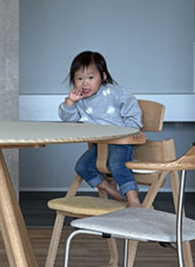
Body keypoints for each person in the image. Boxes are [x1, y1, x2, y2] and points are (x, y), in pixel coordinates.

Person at [58, 51, 143, 208]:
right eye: (79, 78)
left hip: (121, 141)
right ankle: (109, 188)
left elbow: (131, 111)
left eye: (90, 78)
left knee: (116, 164)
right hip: (100, 144)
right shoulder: (80, 100)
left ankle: (133, 199)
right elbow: (69, 119)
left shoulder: (115, 93)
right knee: (82, 166)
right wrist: (70, 102)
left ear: (103, 76)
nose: (85, 83)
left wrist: (133, 129)